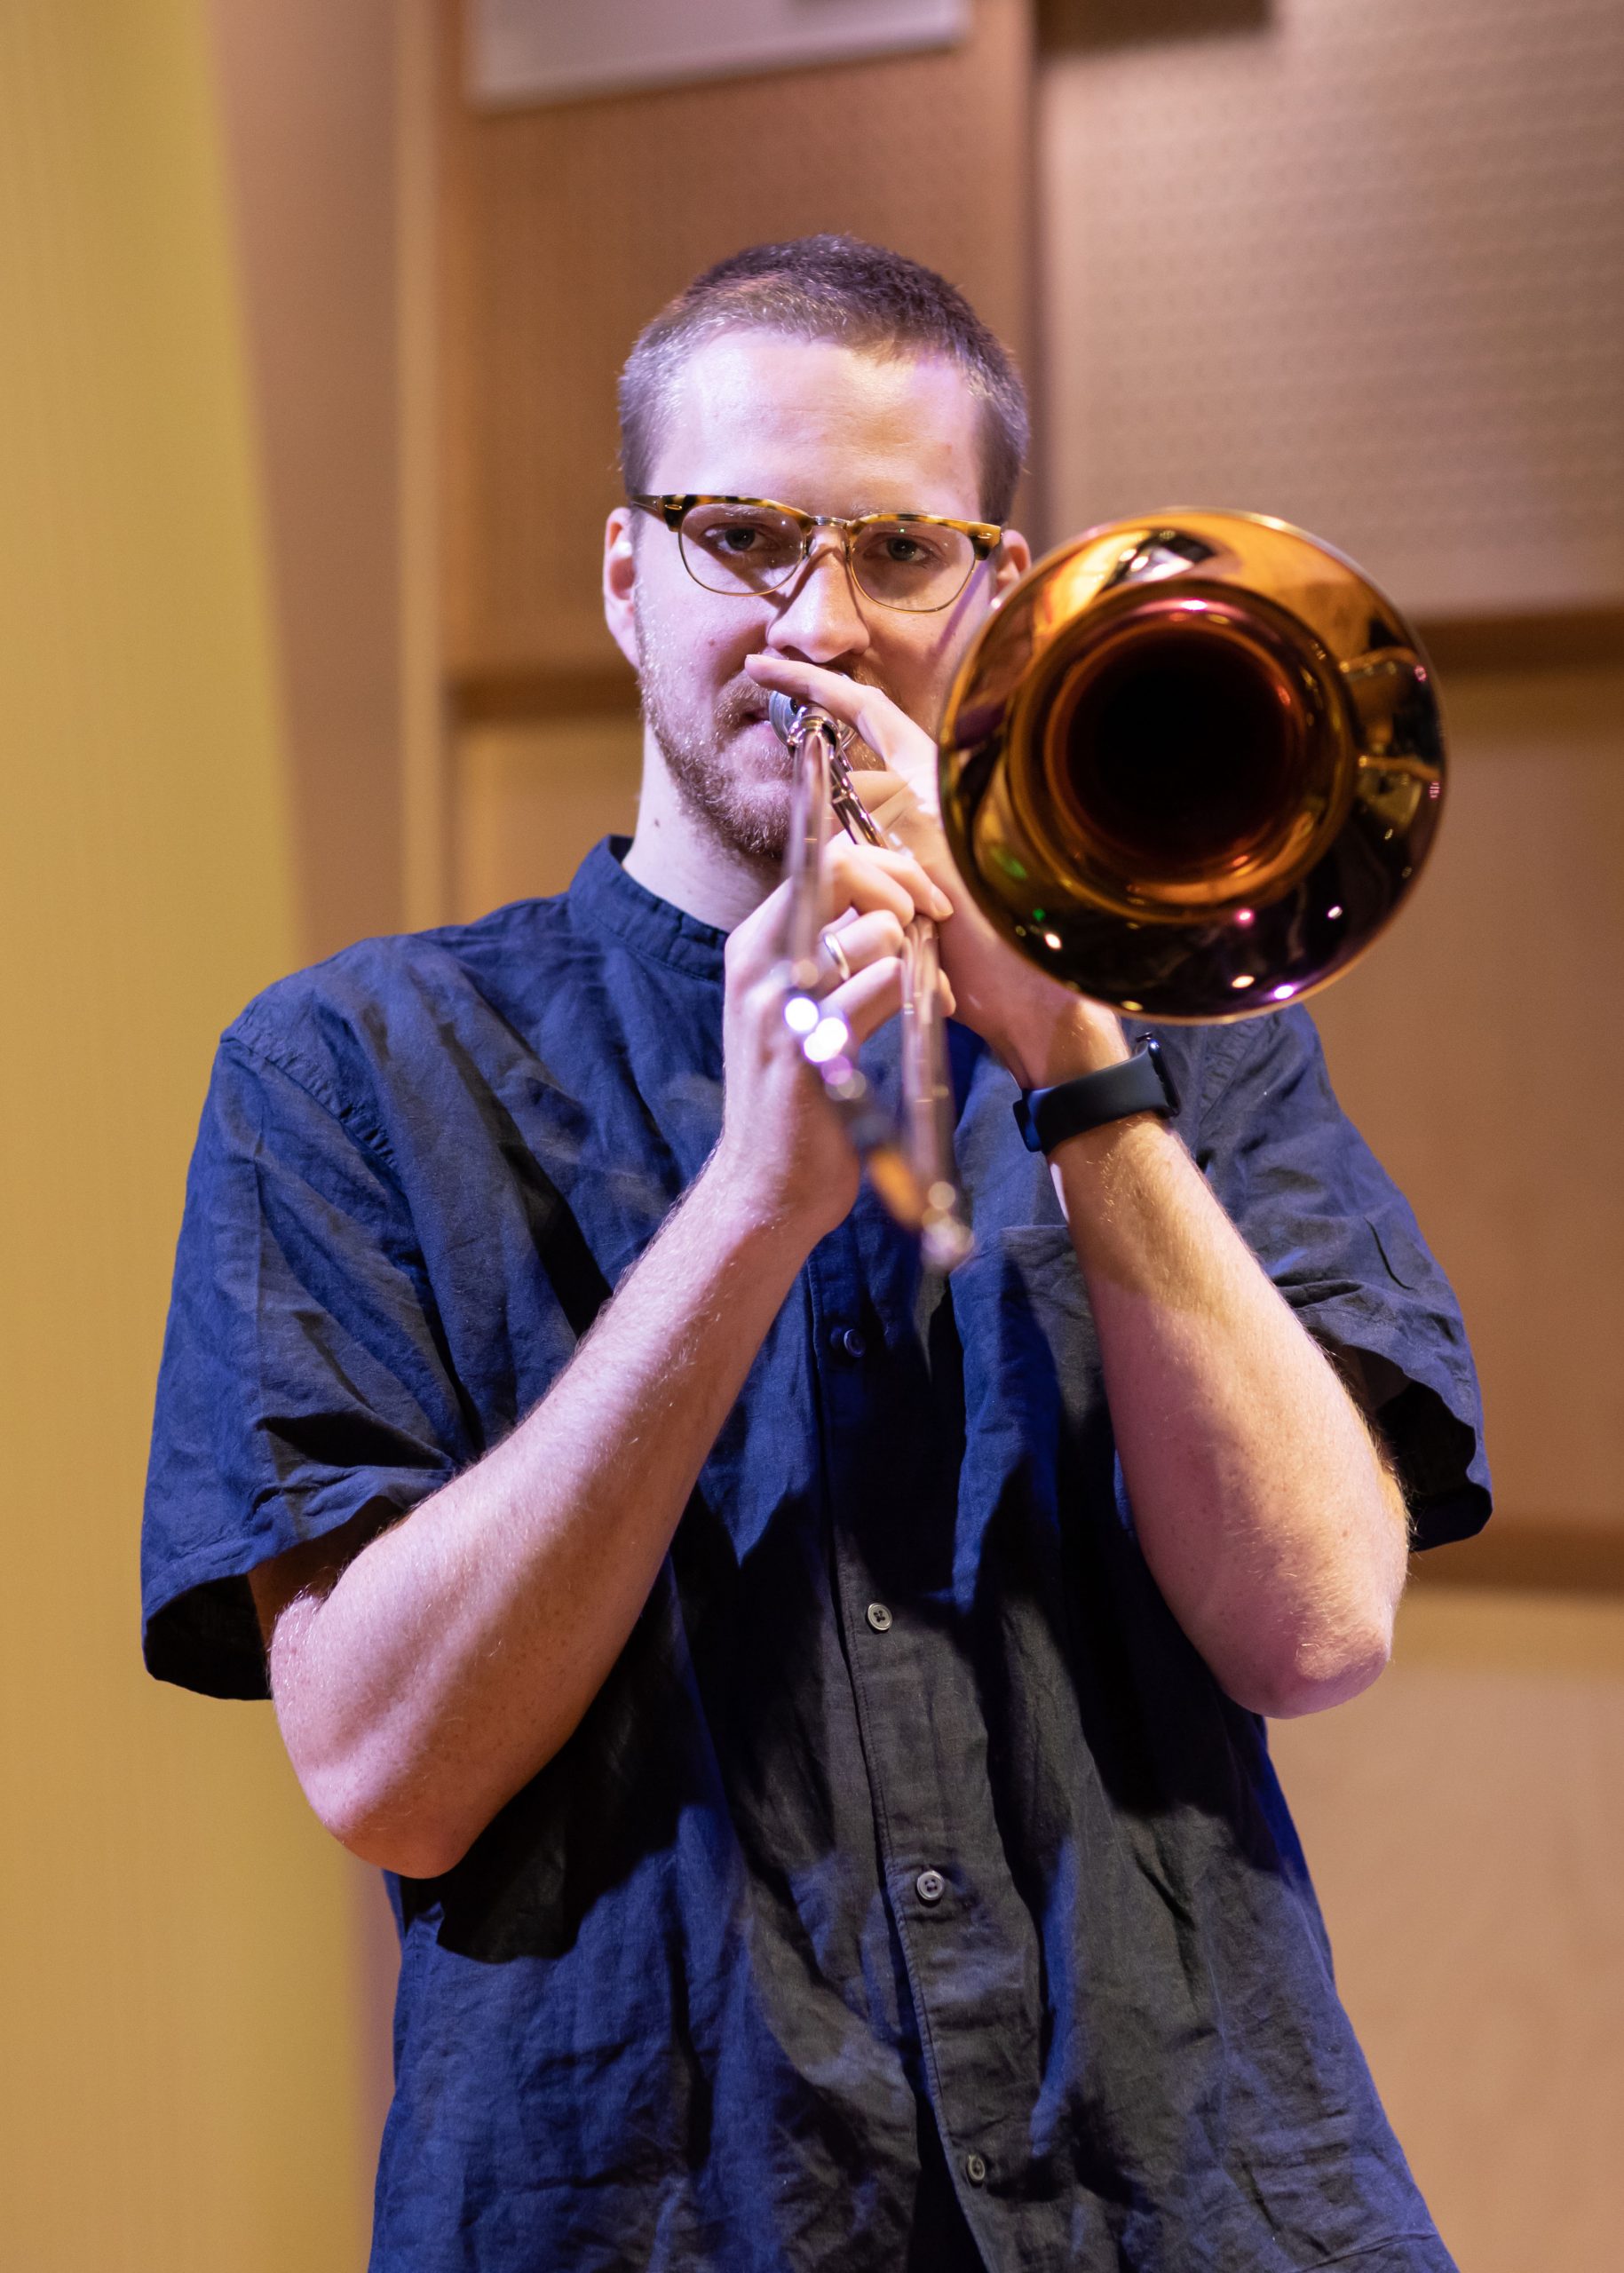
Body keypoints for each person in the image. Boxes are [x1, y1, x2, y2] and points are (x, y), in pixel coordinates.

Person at [142, 236, 1489, 2272]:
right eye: (746, 536)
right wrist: (752, 1206)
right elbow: (385, 1768)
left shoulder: (1191, 1046)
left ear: (996, 592)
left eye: (900, 550)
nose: (819, 619)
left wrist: (1073, 1055)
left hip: (1188, 2203)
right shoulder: (351, 1066)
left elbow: (1314, 1625)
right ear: (628, 577)